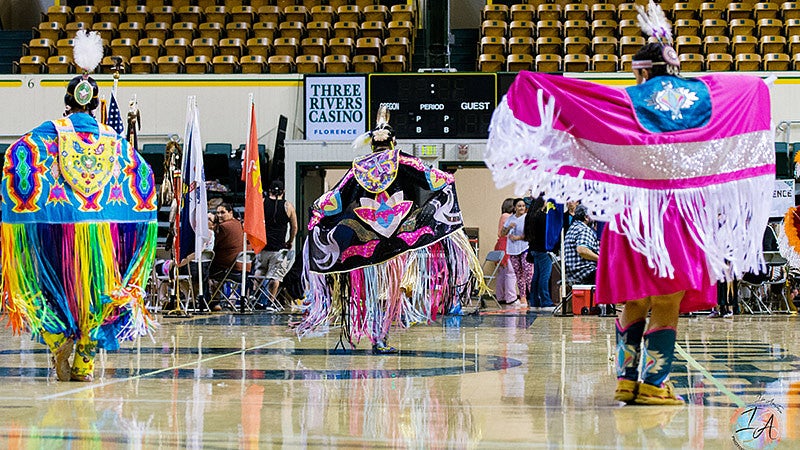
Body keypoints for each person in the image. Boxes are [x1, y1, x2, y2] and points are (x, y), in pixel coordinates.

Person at [485, 0, 773, 405]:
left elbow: (582, 103)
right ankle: (654, 384)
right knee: (667, 301)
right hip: (676, 215)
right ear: (674, 67)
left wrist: (536, 85)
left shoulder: (630, 101)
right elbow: (751, 88)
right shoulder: (702, 96)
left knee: (635, 297)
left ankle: (626, 380)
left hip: (632, 214)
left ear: (642, 70)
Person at [0, 31, 158, 382]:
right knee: (99, 291)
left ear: (67, 105)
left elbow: (18, 156)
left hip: (52, 226)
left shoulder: (46, 134)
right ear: (95, 105)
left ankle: (57, 341)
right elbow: (142, 177)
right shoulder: (113, 140)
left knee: (44, 284)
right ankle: (85, 363)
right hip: (102, 230)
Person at [299, 106, 485, 353]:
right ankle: (380, 336)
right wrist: (445, 185)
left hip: (367, 242)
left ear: (371, 145)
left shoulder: (358, 169)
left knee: (373, 291)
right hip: (397, 240)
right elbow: (434, 178)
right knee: (391, 289)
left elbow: (335, 199)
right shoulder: (402, 160)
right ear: (393, 141)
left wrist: (317, 210)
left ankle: (375, 333)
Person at [254, 179, 298, 307]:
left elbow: (255, 222)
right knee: (275, 276)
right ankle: (270, 301)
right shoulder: (288, 206)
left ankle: (256, 299)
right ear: (283, 192)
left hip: (262, 246)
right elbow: (294, 227)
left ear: (268, 192)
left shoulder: (262, 203)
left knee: (259, 272)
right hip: (278, 248)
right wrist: (290, 241)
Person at [523, 195, 555, 309]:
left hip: (533, 249)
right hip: (543, 249)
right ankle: (546, 300)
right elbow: (547, 234)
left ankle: (534, 300)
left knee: (536, 276)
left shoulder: (529, 217)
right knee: (544, 276)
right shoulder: (543, 217)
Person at [500, 198, 531, 306]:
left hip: (524, 248)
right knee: (519, 274)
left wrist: (518, 238)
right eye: (519, 206)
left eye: (523, 206)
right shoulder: (510, 219)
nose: (522, 208)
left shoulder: (527, 218)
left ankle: (532, 296)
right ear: (515, 207)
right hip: (513, 250)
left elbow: (530, 234)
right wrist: (509, 227)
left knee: (528, 273)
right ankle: (523, 297)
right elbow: (502, 234)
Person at [563, 205, 599, 286]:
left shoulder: (573, 227)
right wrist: (601, 259)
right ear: (586, 217)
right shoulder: (584, 229)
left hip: (574, 273)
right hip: (586, 272)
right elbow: (582, 250)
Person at [493, 198, 518, 304]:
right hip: (507, 246)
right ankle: (511, 297)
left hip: (501, 245)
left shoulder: (503, 216)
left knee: (502, 273)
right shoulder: (508, 217)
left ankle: (501, 296)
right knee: (511, 272)